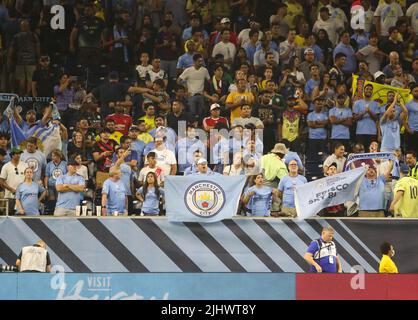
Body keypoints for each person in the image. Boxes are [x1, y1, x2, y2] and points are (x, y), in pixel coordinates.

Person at [0, 147, 28, 215]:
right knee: (10, 215)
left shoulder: (25, 165)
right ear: (12, 155)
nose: (19, 155)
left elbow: (29, 178)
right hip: (10, 196)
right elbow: (1, 181)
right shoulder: (6, 166)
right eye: (17, 154)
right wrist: (11, 189)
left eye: (19, 154)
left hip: (23, 196)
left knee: (23, 215)